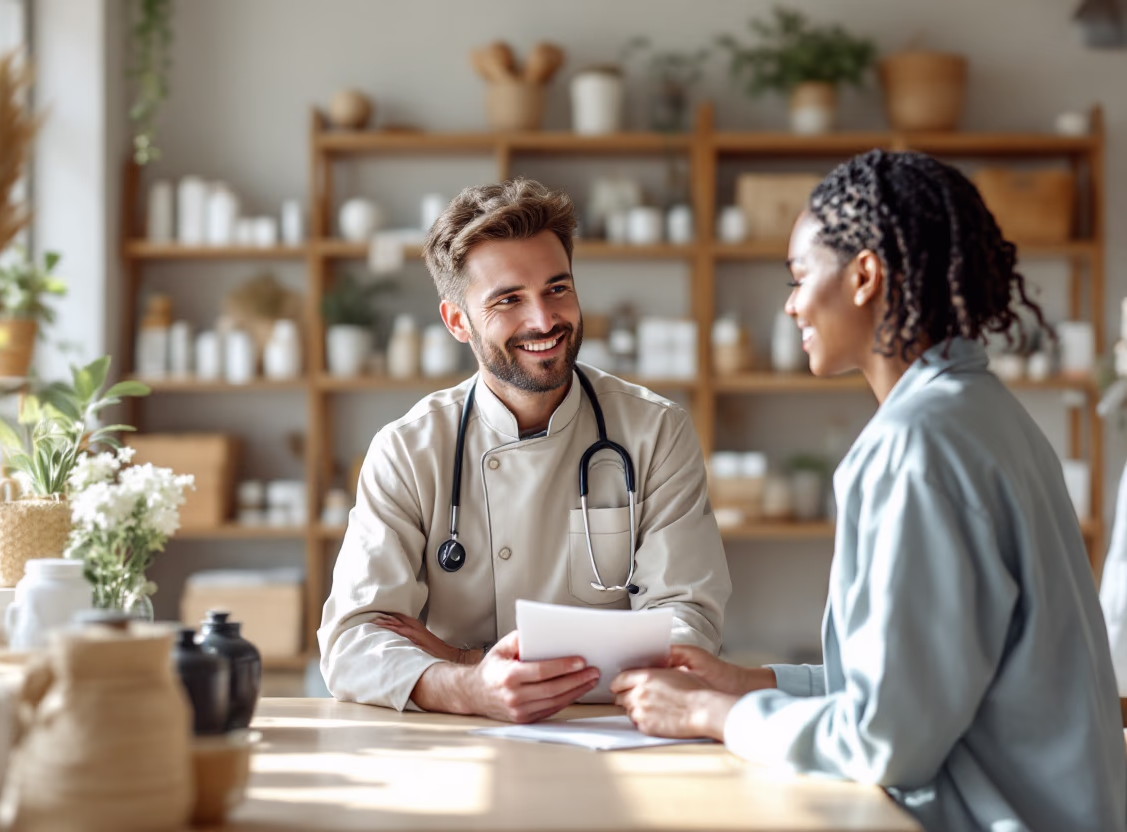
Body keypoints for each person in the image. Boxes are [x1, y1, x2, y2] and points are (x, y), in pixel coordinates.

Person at [612, 150, 1127, 832]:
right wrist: (752, 683)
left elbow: (888, 741)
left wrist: (711, 714)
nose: (792, 305)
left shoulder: (920, 446)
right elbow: (925, 683)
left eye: (799, 278)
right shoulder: (983, 414)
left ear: (864, 276)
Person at [318, 178, 731, 723]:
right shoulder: (408, 450)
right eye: (508, 300)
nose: (544, 320)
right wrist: (468, 688)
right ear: (457, 321)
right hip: (454, 739)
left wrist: (464, 659)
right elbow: (353, 640)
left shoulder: (656, 431)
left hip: (611, 734)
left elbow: (686, 625)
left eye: (558, 288)